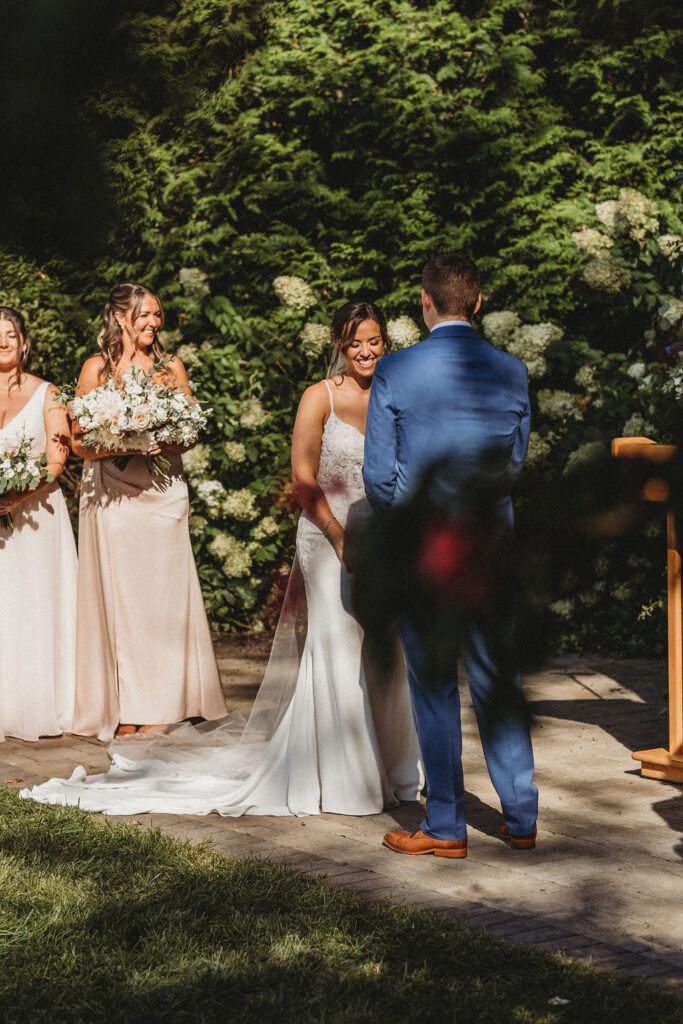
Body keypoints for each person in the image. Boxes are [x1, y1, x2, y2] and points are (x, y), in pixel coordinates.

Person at [21, 300, 423, 815]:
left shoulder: (396, 395)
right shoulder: (318, 397)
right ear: (339, 346)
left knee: (390, 651)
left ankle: (397, 771)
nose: (366, 351)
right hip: (329, 537)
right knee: (339, 650)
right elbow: (303, 481)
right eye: (355, 342)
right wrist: (340, 536)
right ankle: (349, 780)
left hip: (383, 538)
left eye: (374, 341)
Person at [363, 253, 538, 858]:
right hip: (491, 547)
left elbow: (378, 478)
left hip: (423, 549)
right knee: (497, 677)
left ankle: (445, 827)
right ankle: (521, 816)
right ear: (479, 302)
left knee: (433, 682)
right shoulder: (512, 371)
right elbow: (513, 465)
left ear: (425, 301)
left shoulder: (395, 370)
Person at [69, 282, 227, 741]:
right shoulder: (96, 369)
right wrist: (125, 437)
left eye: (158, 315)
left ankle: (163, 706)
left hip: (163, 495)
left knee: (162, 603)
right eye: (145, 315)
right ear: (121, 318)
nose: (154, 323)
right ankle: (127, 705)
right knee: (123, 603)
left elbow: (191, 431)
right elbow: (80, 441)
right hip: (112, 495)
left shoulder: (170, 367)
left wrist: (156, 438)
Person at [0, 307, 77, 740]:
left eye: (10, 334)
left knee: (32, 605)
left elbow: (56, 458)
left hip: (34, 518)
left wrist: (16, 494)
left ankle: (38, 704)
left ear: (24, 341)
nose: (3, 342)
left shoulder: (48, 393)